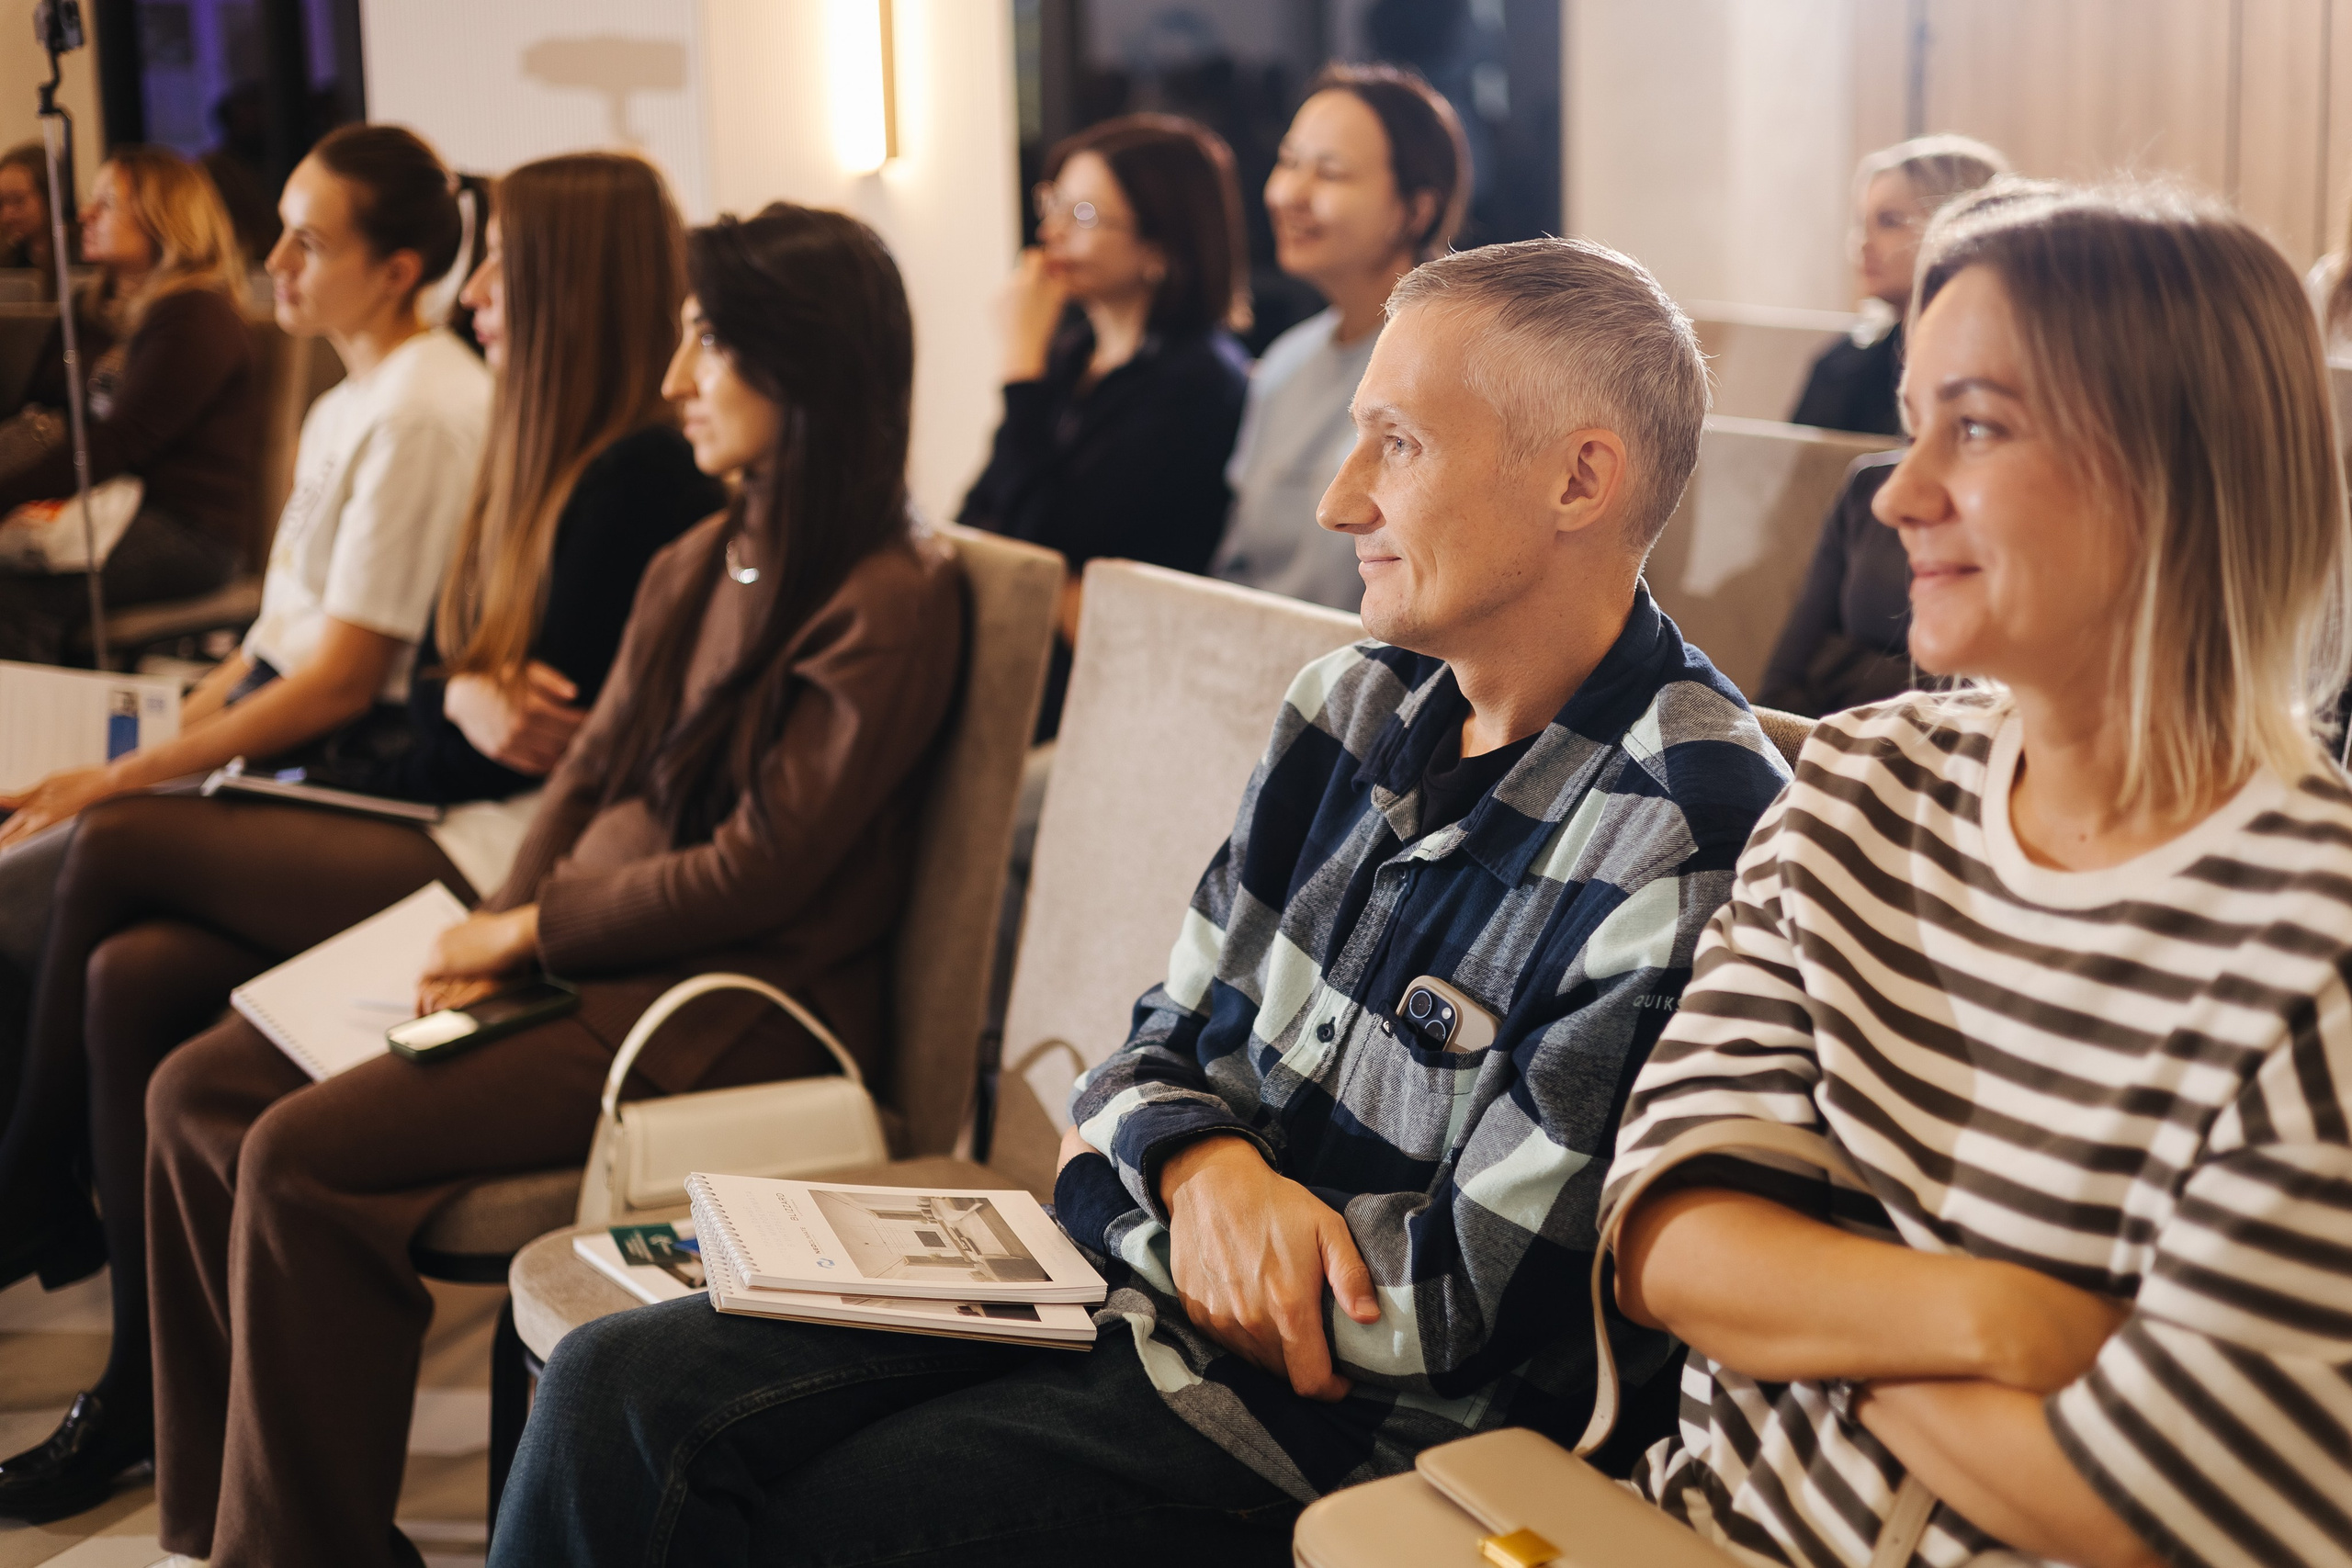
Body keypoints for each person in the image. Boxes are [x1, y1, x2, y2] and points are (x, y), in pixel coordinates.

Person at [489, 237, 1794, 1568]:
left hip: (1338, 1435)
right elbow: (1147, 1050)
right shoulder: (1344, 705)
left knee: (802, 1520)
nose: (1343, 500)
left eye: (1397, 445)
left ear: (1581, 475)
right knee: (611, 1386)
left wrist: (1127, 1192)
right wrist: (1202, 1164)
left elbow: (1455, 1307)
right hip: (1114, 1306)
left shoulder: (1691, 824)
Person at [141, 202, 967, 1568]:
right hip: (586, 959)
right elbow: (585, 778)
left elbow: (771, 863)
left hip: (723, 1003)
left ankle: (293, 1549)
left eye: (707, 342)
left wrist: (530, 925)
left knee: (295, 1152)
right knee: (197, 1088)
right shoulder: (700, 553)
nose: (672, 380)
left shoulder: (890, 593)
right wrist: (489, 923)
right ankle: (218, 1516)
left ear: (805, 360)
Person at [1611, 184, 2352, 1568]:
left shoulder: (2316, 944)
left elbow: (2144, 1502)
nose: (1898, 494)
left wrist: (1816, 1304)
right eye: (1912, 422)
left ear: (2181, 469)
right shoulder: (1858, 781)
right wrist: (2015, 1323)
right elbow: (1666, 1233)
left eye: (1980, 426)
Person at [0, 151, 719, 1525]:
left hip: (498, 849)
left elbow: (536, 739)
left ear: (569, 283)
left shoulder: (631, 479)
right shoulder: (534, 444)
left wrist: (459, 692)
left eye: (504, 259)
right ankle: (161, 1430)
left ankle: (25, 1192)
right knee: (130, 971)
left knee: (114, 847)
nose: (479, 287)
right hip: (450, 801)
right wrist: (464, 682)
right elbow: (457, 681)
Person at [0, 125, 487, 849]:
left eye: (309, 244)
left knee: (75, 856)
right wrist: (117, 765)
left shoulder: (419, 415)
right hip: (285, 721)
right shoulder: (345, 405)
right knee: (46, 824)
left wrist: (113, 782)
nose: (274, 260)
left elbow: (338, 684)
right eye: (284, 231)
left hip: (350, 753)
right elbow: (268, 647)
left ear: (396, 271)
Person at [960, 112, 1250, 736]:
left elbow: (1043, 540)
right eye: (1053, 205)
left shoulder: (1198, 381)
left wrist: (1018, 367)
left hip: (1122, 698)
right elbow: (982, 518)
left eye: (1084, 216)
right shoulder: (1069, 358)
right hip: (1031, 667)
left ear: (1159, 249)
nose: (1052, 233)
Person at [1210, 63, 1468, 615]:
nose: (1288, 194)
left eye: (1329, 173)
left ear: (1415, 209)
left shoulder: (1451, 368)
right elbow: (1235, 569)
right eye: (1288, 162)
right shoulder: (1284, 362)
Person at [0, 146, 264, 665]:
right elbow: (42, 412)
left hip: (186, 529)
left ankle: (35, 739)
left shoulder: (196, 313)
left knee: (11, 595)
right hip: (97, 505)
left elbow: (118, 443)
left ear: (164, 219)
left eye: (107, 203)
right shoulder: (93, 308)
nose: (84, 216)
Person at [1787, 134, 2006, 435]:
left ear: (1960, 229)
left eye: (1890, 221)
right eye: (1862, 224)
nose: (1864, 243)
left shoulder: (2001, 372)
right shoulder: (1839, 365)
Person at [1753, 450, 1908, 716]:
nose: (1887, 503)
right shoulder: (1867, 484)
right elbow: (1779, 688)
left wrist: (1841, 666)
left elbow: (1966, 699)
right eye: (1914, 434)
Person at [0, 141, 56, 288]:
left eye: (18, 200)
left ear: (49, 196)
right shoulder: (9, 262)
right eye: (1, 203)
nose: (6, 214)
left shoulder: (80, 256)